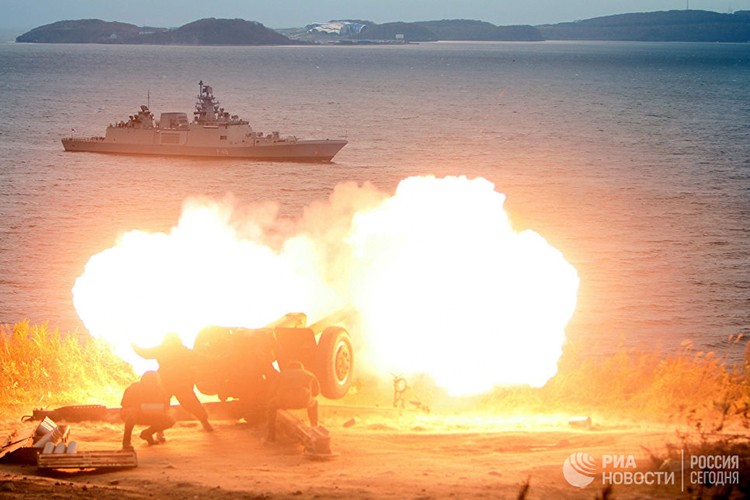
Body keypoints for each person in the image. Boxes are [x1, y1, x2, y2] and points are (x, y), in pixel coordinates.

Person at [133, 333, 214, 432]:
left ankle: (160, 431)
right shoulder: (180, 350)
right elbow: (204, 358)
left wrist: (133, 344)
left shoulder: (167, 350)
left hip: (172, 384)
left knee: (164, 406)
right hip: (172, 384)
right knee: (187, 404)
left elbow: (144, 353)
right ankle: (205, 423)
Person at [266, 360, 320, 442]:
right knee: (314, 403)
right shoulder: (309, 374)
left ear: (289, 368)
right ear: (301, 368)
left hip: (284, 401)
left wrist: (275, 397)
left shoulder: (282, 374)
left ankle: (271, 434)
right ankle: (314, 427)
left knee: (271, 405)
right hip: (304, 401)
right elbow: (316, 392)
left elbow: (271, 391)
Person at [121, 370, 174, 449]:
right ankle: (126, 441)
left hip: (151, 414)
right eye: (149, 381)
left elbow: (165, 408)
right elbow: (125, 404)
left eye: (154, 381)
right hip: (135, 414)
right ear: (143, 381)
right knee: (131, 411)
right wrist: (141, 407)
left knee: (170, 419)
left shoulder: (161, 391)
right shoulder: (134, 388)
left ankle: (148, 433)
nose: (151, 384)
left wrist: (160, 430)